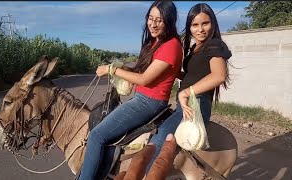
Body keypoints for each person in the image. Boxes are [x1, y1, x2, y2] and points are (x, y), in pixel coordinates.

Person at [77, 1, 183, 179]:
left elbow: (144, 79)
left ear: (169, 22)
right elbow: (141, 72)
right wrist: (123, 68)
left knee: (96, 136)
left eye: (159, 20)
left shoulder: (171, 45)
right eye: (150, 18)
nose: (153, 24)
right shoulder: (154, 43)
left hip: (150, 101)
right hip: (141, 98)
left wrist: (111, 70)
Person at [147, 2, 232, 170]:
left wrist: (185, 92)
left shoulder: (214, 44)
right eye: (195, 25)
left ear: (213, 23)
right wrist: (173, 73)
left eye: (205, 23)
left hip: (197, 103)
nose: (200, 29)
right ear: (189, 27)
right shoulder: (195, 47)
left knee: (160, 138)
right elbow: (194, 75)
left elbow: (219, 75)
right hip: (188, 102)